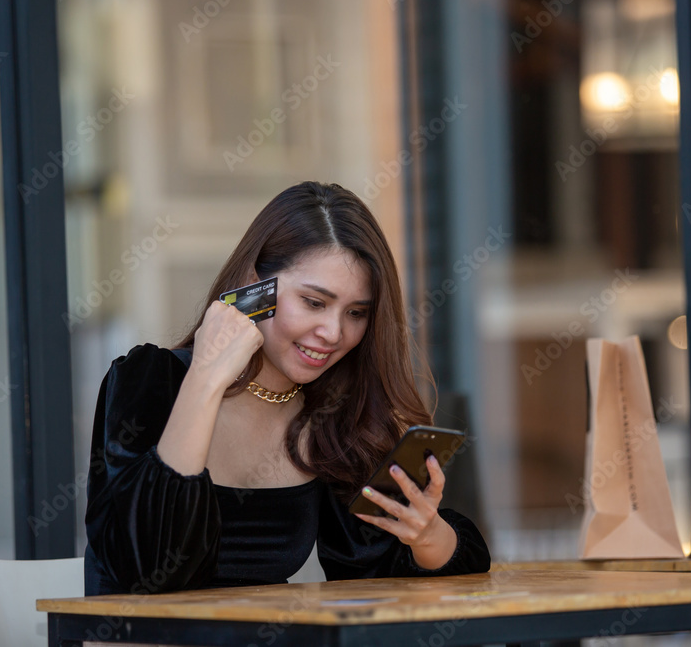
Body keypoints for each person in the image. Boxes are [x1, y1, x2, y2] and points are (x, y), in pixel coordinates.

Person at [84, 181, 491, 595]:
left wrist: (427, 535)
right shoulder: (148, 381)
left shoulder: (331, 417)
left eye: (355, 313)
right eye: (314, 302)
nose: (333, 332)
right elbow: (147, 570)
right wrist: (206, 377)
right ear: (253, 285)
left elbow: (377, 577)